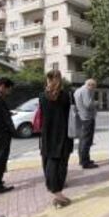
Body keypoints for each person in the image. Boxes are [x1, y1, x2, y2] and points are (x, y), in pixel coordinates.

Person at [39, 70, 73, 208]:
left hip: (47, 133)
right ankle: (58, 194)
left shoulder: (41, 96)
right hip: (62, 132)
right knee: (61, 163)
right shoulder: (65, 96)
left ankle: (54, 190)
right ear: (60, 79)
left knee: (49, 160)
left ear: (47, 80)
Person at [74, 79, 98, 169]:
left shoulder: (77, 90)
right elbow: (88, 104)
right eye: (94, 87)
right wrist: (95, 103)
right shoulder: (86, 91)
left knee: (82, 140)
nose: (94, 89)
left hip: (82, 117)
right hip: (87, 117)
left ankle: (82, 159)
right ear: (90, 85)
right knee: (86, 140)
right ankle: (85, 162)